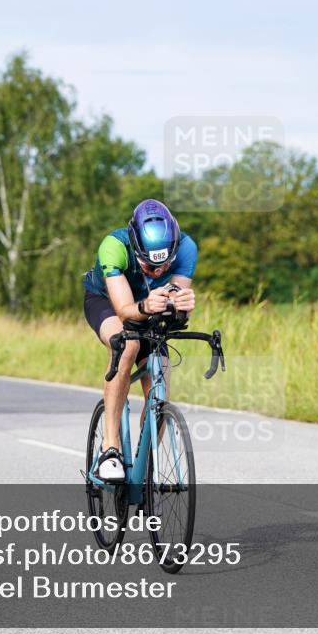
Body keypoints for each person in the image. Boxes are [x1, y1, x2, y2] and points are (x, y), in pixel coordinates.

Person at [81, 199, 197, 481]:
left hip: (149, 306)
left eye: (164, 265)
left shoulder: (186, 248)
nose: (157, 272)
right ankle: (110, 448)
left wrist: (181, 305)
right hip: (107, 302)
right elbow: (125, 311)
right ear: (135, 247)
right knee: (127, 345)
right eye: (148, 265)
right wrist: (146, 305)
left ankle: (145, 465)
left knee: (161, 374)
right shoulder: (114, 246)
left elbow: (173, 302)